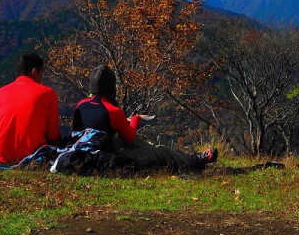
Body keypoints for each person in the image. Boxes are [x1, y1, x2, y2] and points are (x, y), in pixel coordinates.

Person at [73, 64, 217, 171]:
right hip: (107, 157)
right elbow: (129, 138)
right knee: (160, 151)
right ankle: (194, 160)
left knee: (149, 147)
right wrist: (135, 120)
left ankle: (181, 157)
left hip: (85, 152)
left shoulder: (80, 105)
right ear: (112, 88)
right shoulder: (112, 110)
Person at [0, 52, 61, 165]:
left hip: (1, 158)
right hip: (33, 157)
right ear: (35, 72)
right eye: (42, 73)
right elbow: (53, 135)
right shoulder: (47, 93)